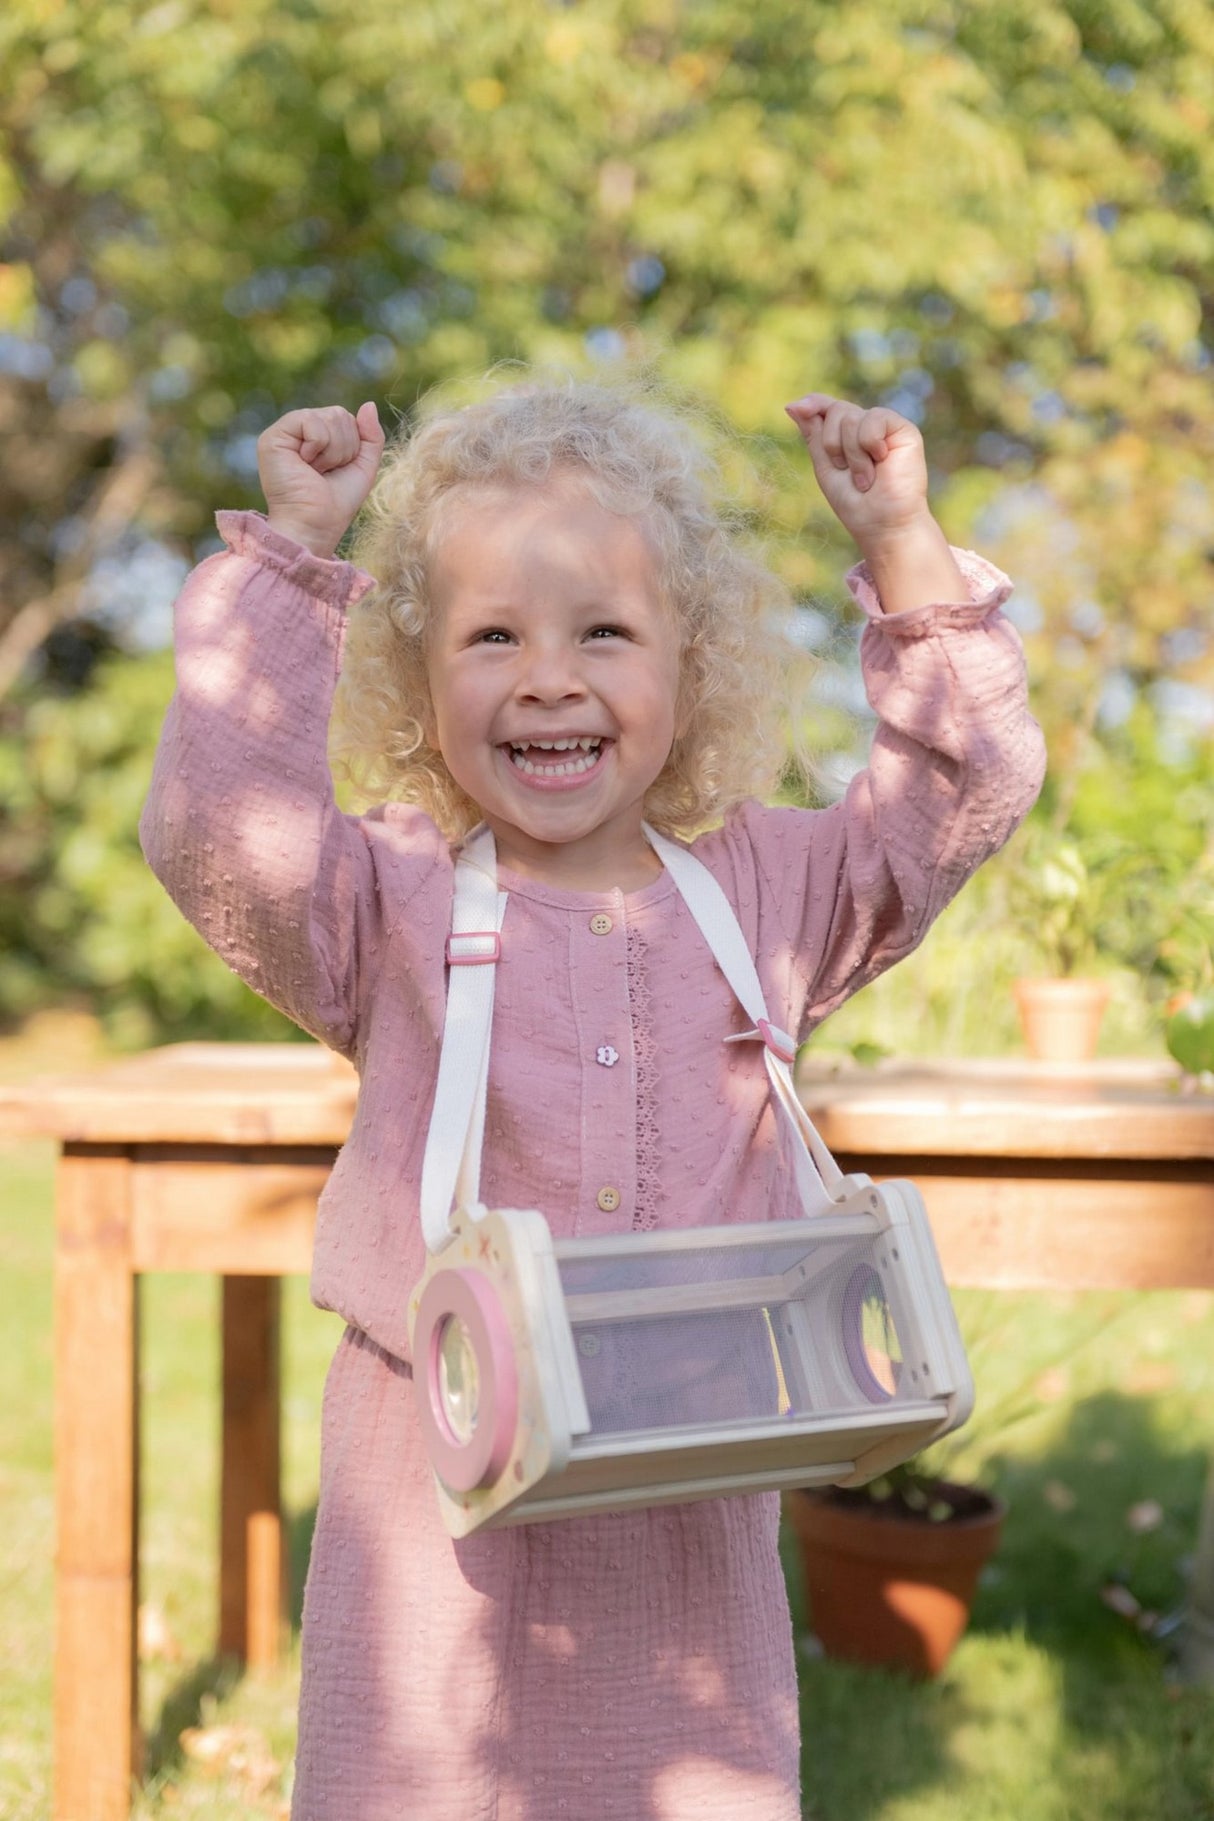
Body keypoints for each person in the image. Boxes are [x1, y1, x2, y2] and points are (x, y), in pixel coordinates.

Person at [141, 373, 1044, 1820]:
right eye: (489, 635)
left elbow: (965, 786)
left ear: (688, 668)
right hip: (435, 1498)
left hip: (682, 1508)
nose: (547, 677)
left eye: (602, 633)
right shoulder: (390, 900)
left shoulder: (766, 890)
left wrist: (903, 542)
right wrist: (296, 558)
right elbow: (217, 827)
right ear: (416, 676)